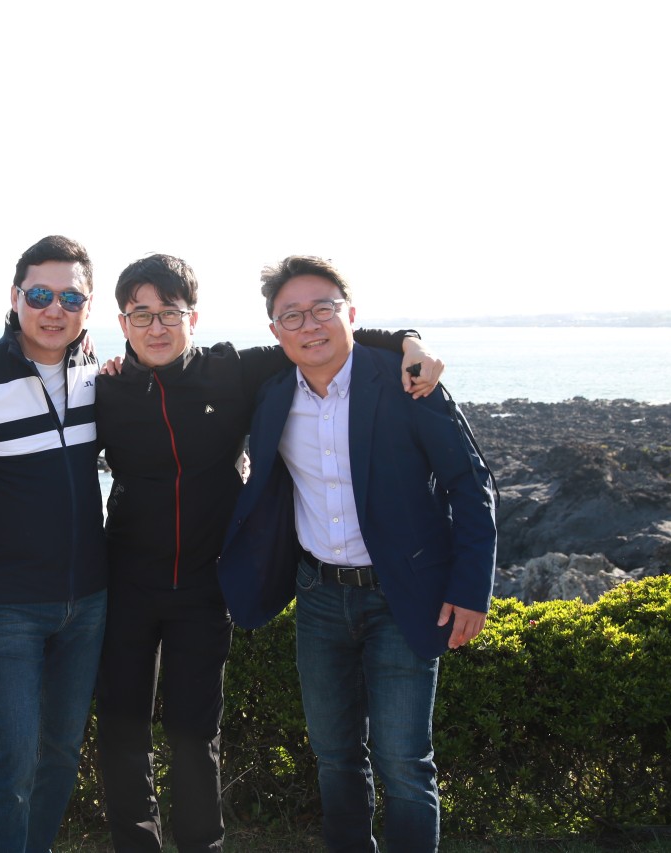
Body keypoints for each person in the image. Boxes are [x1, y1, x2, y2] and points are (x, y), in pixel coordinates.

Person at [93, 254, 443, 852]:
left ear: (192, 317)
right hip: (126, 584)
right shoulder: (104, 388)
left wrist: (409, 341)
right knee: (123, 733)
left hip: (205, 588)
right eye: (141, 315)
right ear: (123, 323)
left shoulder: (232, 370)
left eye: (169, 313)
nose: (156, 327)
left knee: (194, 734)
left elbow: (322, 337)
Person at [219, 255, 497, 852]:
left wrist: (471, 589)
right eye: (292, 315)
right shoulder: (271, 397)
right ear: (275, 331)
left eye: (323, 309)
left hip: (403, 595)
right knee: (335, 756)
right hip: (318, 597)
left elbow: (470, 484)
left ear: (350, 314)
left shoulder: (406, 382)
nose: (310, 325)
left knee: (404, 762)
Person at [0, 235, 109, 852]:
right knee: (14, 757)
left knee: (62, 751)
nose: (54, 310)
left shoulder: (100, 375)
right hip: (11, 601)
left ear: (88, 307)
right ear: (15, 296)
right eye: (41, 294)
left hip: (89, 597)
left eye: (71, 298)